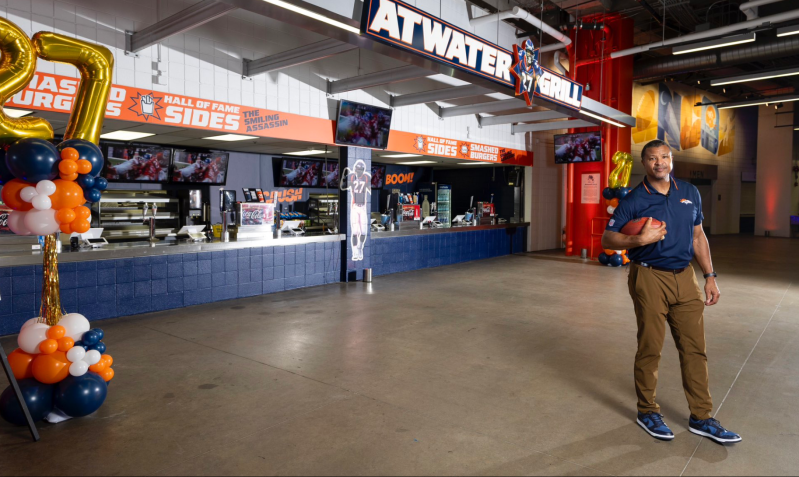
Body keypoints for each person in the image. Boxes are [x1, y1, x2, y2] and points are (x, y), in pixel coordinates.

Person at [601, 139, 741, 444]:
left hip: (685, 277)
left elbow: (698, 235)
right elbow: (608, 239)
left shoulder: (689, 192)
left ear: (671, 159)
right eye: (652, 158)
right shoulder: (635, 199)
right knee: (651, 347)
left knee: (694, 348)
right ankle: (647, 410)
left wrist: (710, 276)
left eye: (664, 157)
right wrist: (639, 241)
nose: (659, 163)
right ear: (644, 163)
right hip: (649, 276)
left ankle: (701, 417)